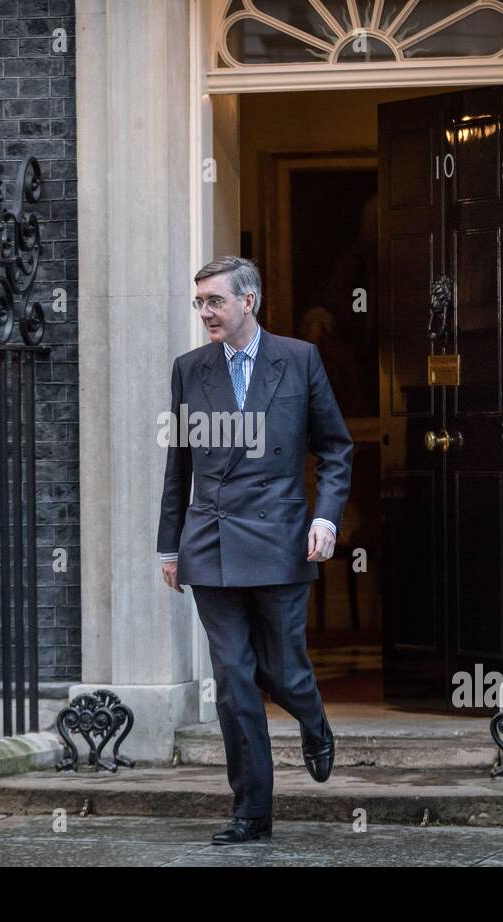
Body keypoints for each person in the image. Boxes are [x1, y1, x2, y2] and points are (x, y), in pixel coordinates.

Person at [157, 255, 354, 844]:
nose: (205, 313)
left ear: (249, 301)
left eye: (214, 301)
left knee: (283, 669)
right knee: (235, 678)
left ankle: (313, 719)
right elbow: (179, 466)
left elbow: (336, 451)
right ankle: (251, 810)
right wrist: (169, 547)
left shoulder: (298, 360)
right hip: (210, 541)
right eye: (199, 303)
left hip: (280, 540)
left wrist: (326, 519)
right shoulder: (190, 369)